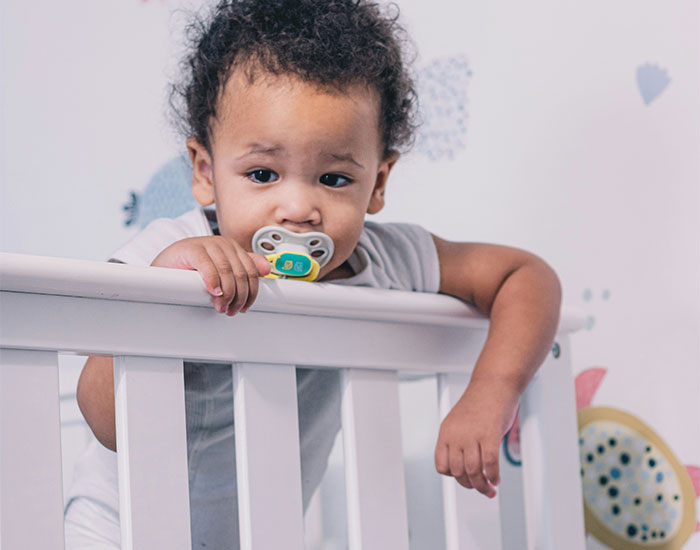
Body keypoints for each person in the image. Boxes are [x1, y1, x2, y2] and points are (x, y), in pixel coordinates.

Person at [65, 0, 562, 548]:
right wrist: (160, 290)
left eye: (333, 177)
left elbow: (526, 275)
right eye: (262, 173)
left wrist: (490, 392)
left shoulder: (384, 260)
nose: (298, 207)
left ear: (377, 182)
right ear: (205, 173)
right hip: (115, 533)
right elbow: (105, 423)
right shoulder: (171, 249)